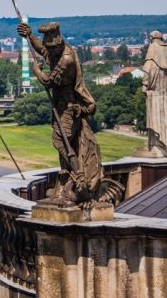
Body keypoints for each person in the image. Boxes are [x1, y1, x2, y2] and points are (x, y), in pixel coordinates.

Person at [17, 22, 102, 203]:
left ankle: (78, 176)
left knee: (60, 140)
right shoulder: (56, 51)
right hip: (61, 103)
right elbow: (43, 51)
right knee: (64, 139)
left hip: (69, 106)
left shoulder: (66, 59)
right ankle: (65, 179)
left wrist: (37, 71)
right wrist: (30, 36)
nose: (50, 51)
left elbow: (49, 81)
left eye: (52, 48)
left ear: (58, 44)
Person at [142, 30, 167, 154]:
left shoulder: (153, 48)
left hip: (156, 95)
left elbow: (148, 68)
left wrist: (145, 85)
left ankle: (157, 145)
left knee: (156, 118)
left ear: (152, 38)